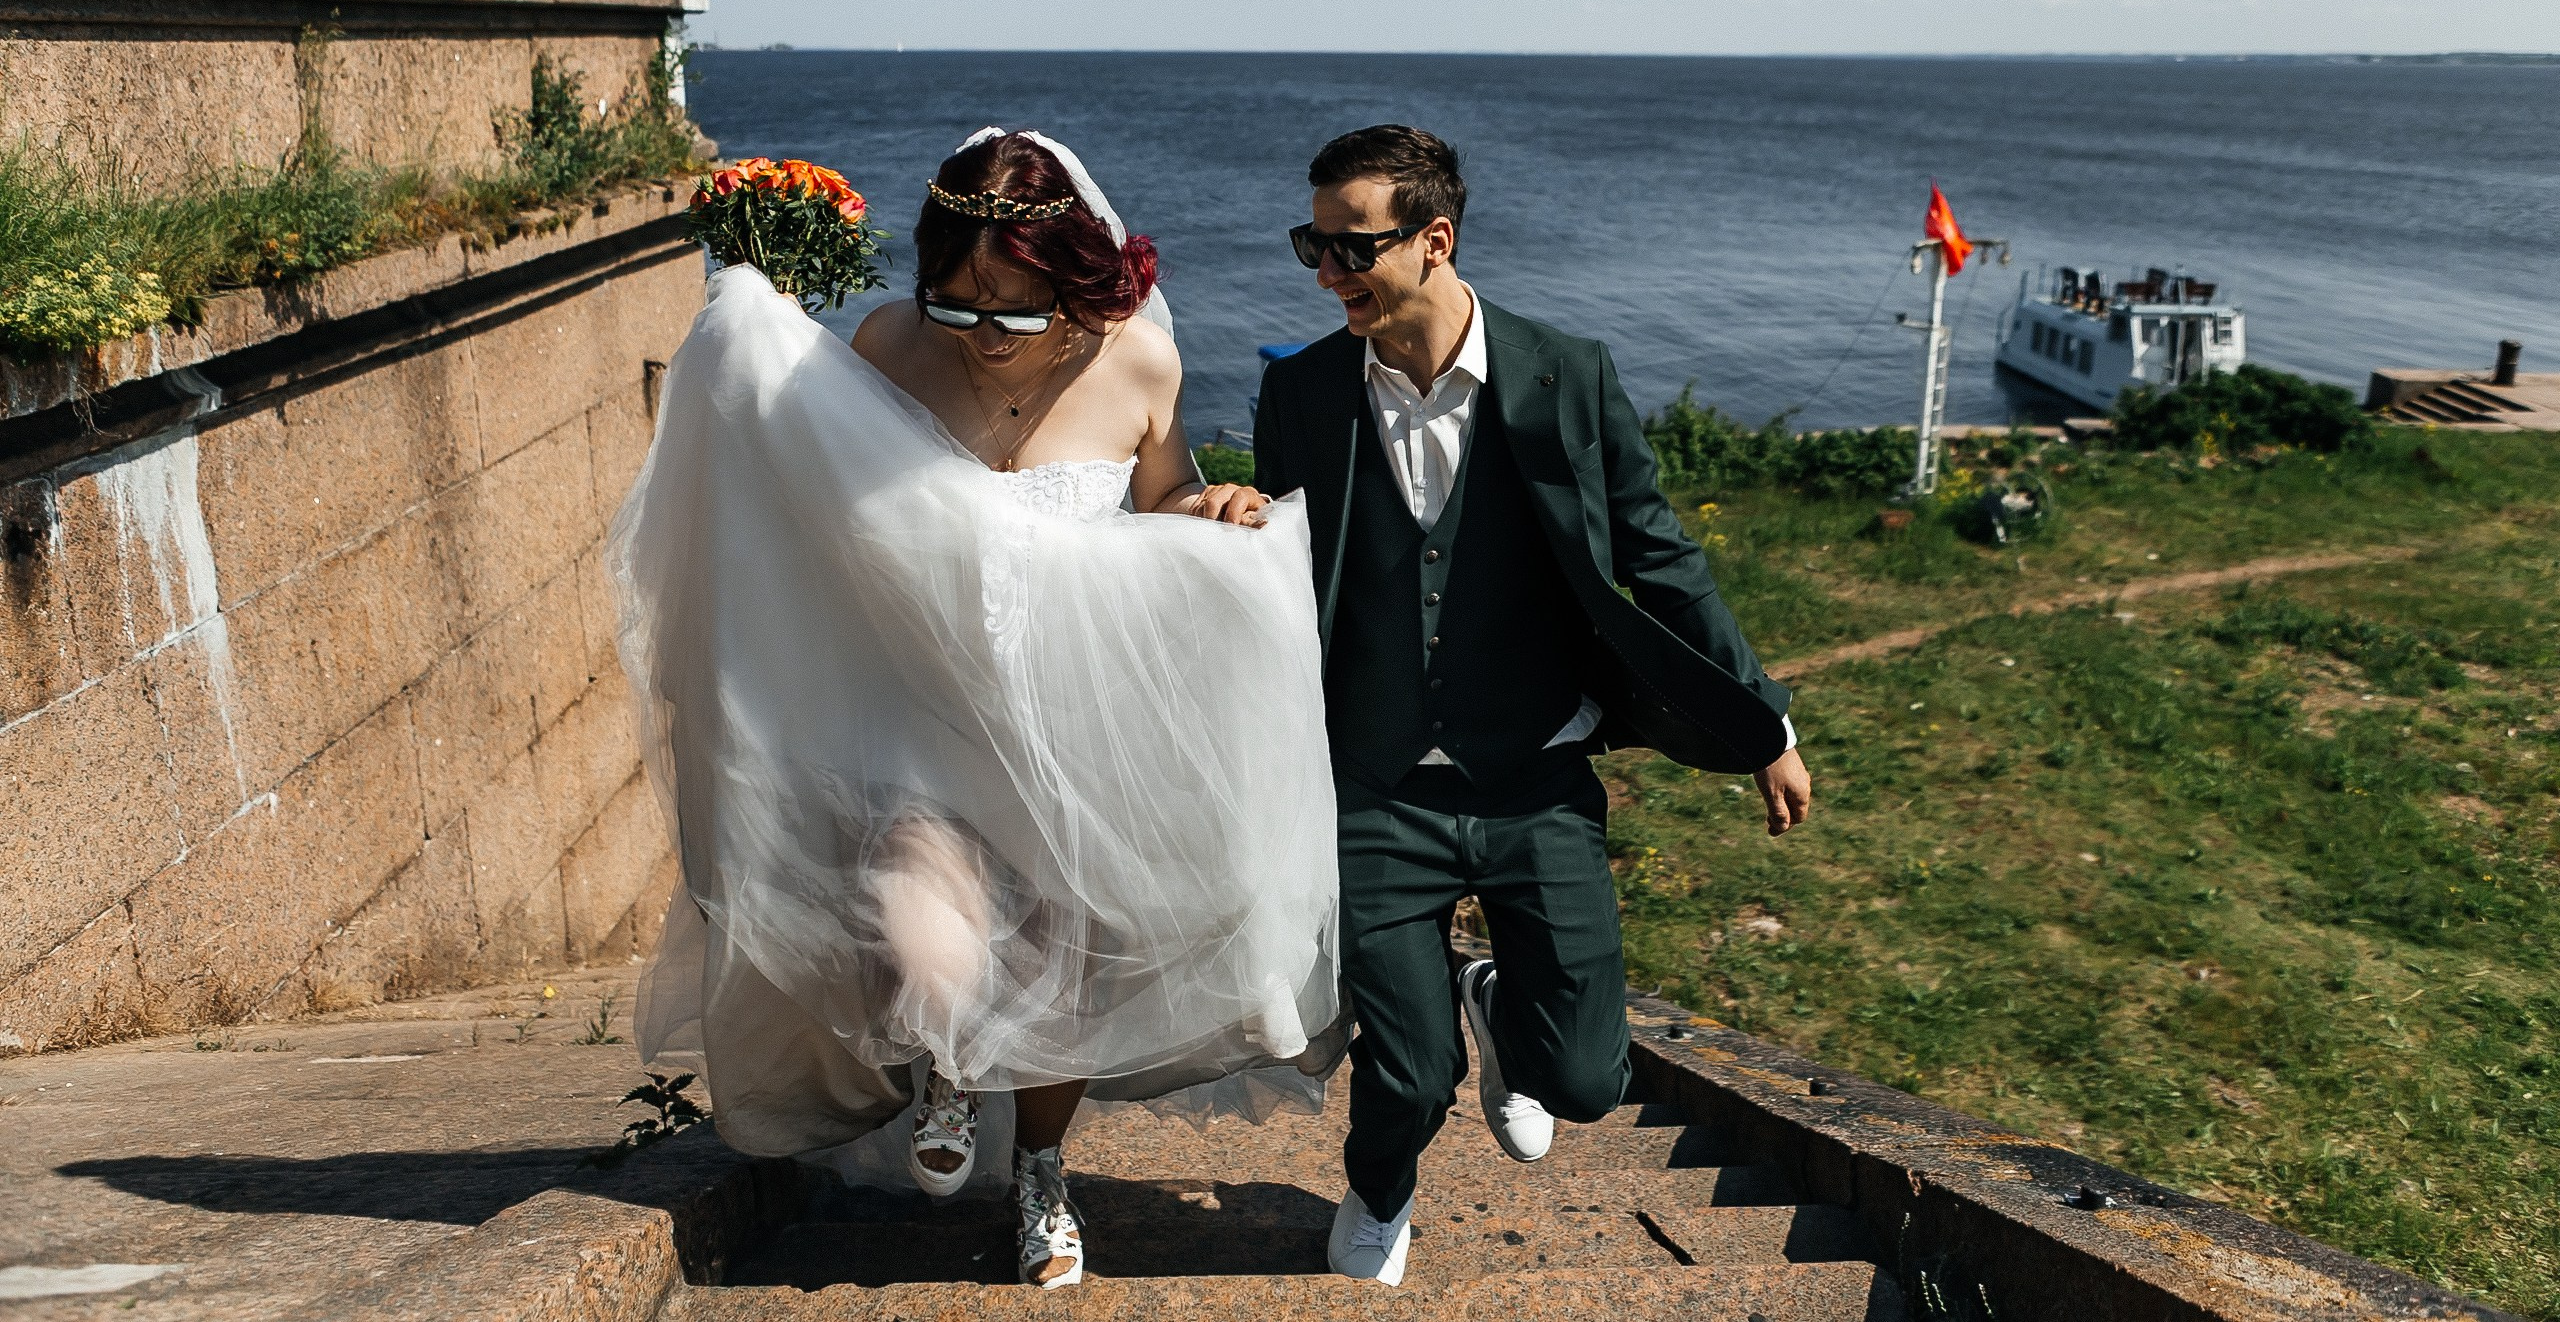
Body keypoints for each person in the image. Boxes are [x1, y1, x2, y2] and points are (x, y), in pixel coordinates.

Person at [610, 128, 1337, 1290]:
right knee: (924, 949)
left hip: (1074, 723)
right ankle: (947, 1060)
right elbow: (810, 490)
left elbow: (1162, 493)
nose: (984, 335)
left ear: (1075, 283)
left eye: (1012, 307)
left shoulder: (1139, 363)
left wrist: (1214, 504)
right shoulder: (889, 346)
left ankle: (1043, 1175)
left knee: (1067, 971)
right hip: (920, 715)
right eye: (958, 306)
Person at [1252, 125, 1814, 1286]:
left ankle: (1498, 995)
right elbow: (1279, 568)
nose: (1326, 271)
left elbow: (1658, 555)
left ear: (1434, 240)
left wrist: (1764, 724)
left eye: (1350, 246)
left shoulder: (1566, 375)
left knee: (1590, 1084)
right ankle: (1380, 1189)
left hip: (1537, 778)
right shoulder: (1300, 391)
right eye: (1312, 243)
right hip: (1373, 783)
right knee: (1405, 1074)